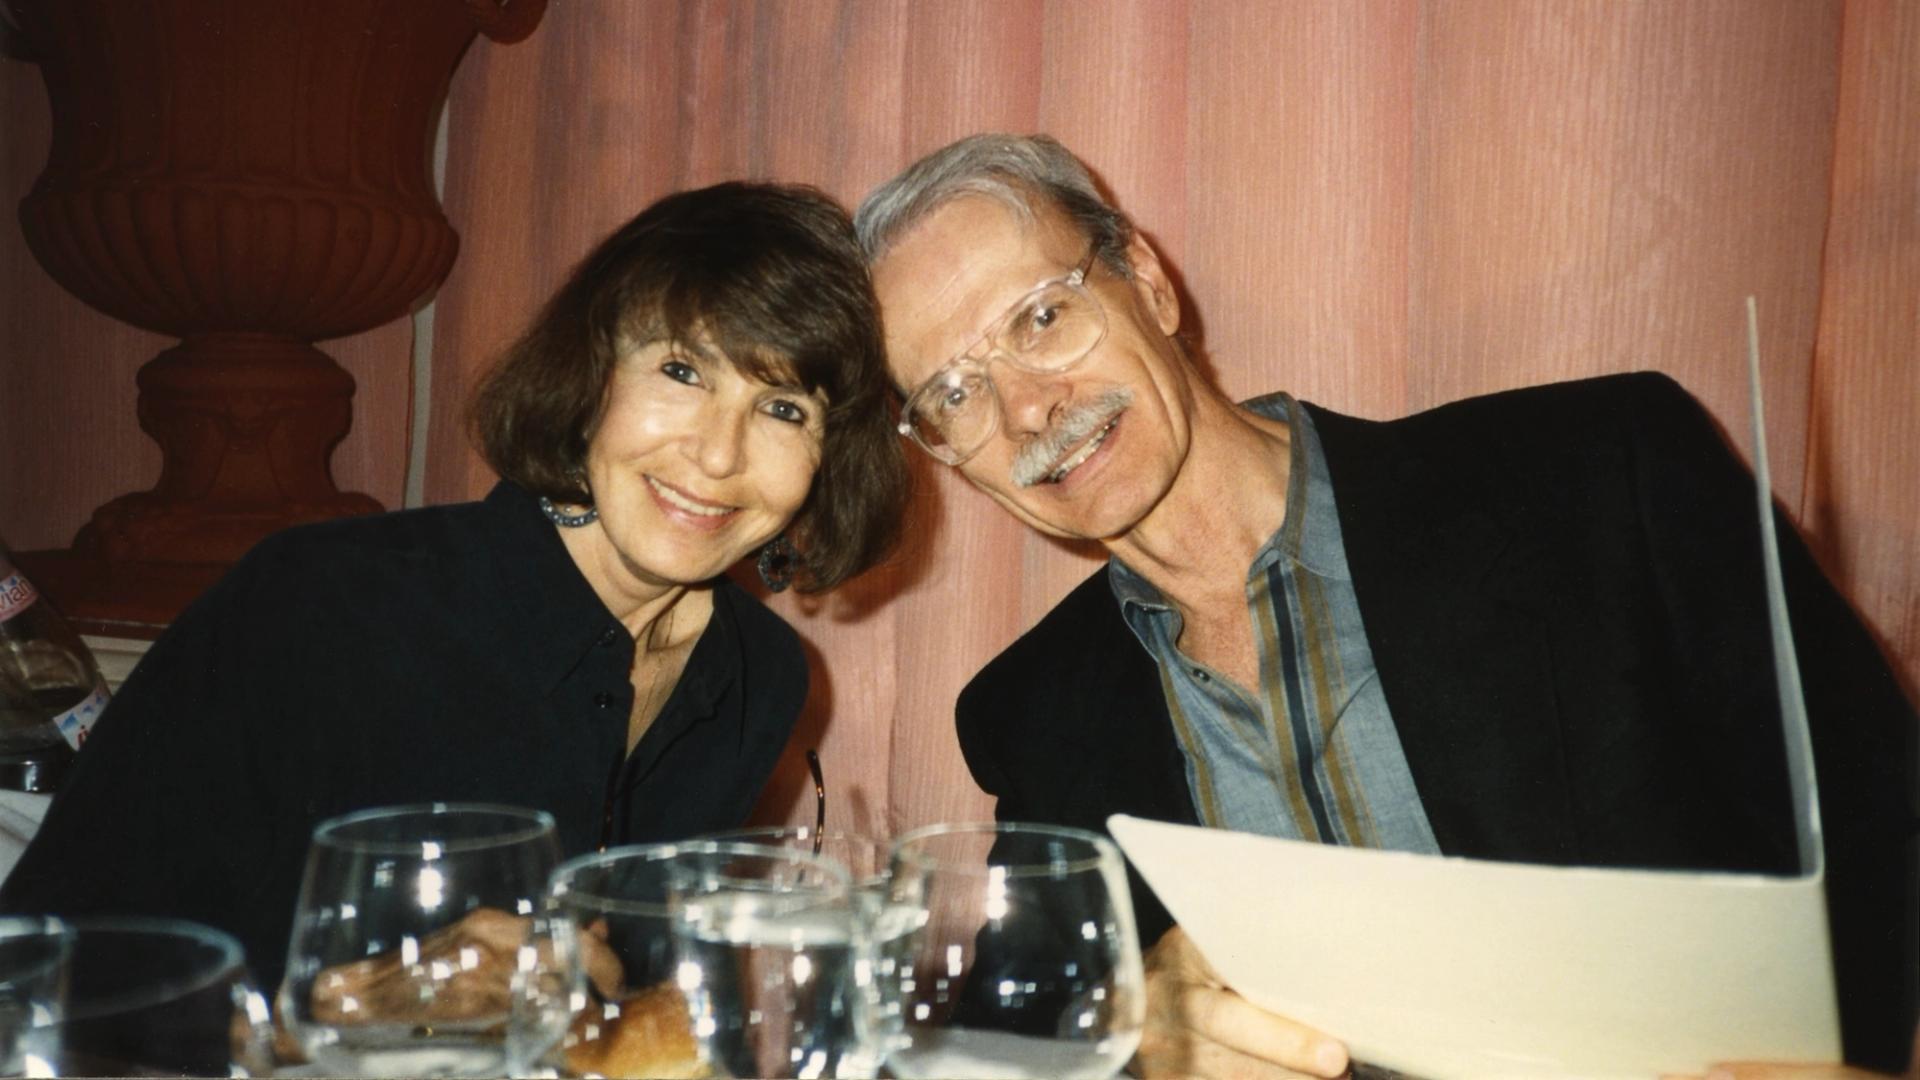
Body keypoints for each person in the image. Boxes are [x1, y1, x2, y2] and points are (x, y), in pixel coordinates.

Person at [854, 134, 1917, 1076]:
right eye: (952, 392)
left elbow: (1889, 827)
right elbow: (1016, 1041)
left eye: (1043, 317)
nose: (1028, 408)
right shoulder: (1031, 709)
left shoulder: (1603, 479)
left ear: (1148, 281)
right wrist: (1134, 1041)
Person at [0, 181, 910, 996]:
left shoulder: (757, 677)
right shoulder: (320, 606)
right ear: (591, 377)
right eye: (681, 371)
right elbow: (49, 963)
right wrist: (367, 1004)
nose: (718, 455)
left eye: (784, 409)